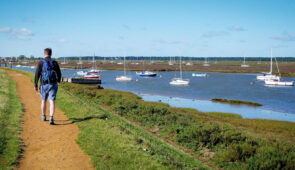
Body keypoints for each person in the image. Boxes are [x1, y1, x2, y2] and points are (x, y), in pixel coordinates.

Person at [34, 48, 61, 125]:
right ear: (51, 54)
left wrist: (35, 85)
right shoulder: (54, 62)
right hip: (53, 84)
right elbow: (59, 73)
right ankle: (51, 117)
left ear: (44, 54)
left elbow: (37, 74)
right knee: (52, 101)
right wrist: (58, 80)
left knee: (43, 101)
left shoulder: (40, 62)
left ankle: (43, 116)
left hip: (44, 85)